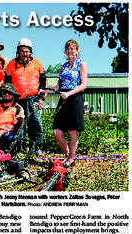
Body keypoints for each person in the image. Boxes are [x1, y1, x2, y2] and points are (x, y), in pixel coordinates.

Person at [42, 39, 88, 168]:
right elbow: (58, 86)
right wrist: (44, 90)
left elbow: (84, 85)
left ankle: (70, 159)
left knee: (72, 131)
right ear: (65, 52)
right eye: (67, 49)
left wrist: (69, 93)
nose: (70, 51)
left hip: (75, 98)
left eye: (72, 48)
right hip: (63, 98)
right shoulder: (63, 66)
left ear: (77, 50)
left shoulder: (81, 64)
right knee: (56, 132)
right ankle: (68, 153)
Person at [6, 38, 46, 157]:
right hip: (18, 100)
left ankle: (37, 148)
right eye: (22, 51)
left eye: (27, 51)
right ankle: (20, 149)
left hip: (34, 98)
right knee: (19, 125)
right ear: (18, 51)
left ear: (30, 52)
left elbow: (43, 82)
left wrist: (42, 98)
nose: (25, 54)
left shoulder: (37, 63)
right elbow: (7, 85)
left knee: (36, 123)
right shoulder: (11, 65)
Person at [0, 83, 25, 153]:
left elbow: (17, 125)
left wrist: (1, 132)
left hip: (8, 137)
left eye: (10, 93)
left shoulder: (18, 108)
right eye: (4, 92)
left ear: (14, 95)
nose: (7, 94)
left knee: (12, 137)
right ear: (1, 94)